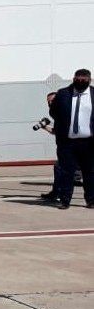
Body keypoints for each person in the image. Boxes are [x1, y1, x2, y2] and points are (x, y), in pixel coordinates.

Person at [49, 69, 94, 209]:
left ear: (89, 80)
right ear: (73, 78)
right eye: (78, 79)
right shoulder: (63, 94)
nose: (80, 81)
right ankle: (65, 200)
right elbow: (54, 112)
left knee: (90, 172)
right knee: (66, 172)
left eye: (83, 79)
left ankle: (91, 200)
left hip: (89, 142)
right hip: (67, 142)